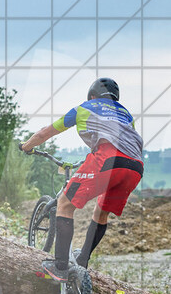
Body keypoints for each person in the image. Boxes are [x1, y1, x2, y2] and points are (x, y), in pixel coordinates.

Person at [19, 77, 144, 281]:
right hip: (135, 167)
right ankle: (82, 261)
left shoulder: (84, 108)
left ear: (92, 96)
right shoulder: (126, 114)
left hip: (107, 159)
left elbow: (45, 132)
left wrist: (27, 146)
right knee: (101, 212)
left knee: (65, 204)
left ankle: (59, 267)